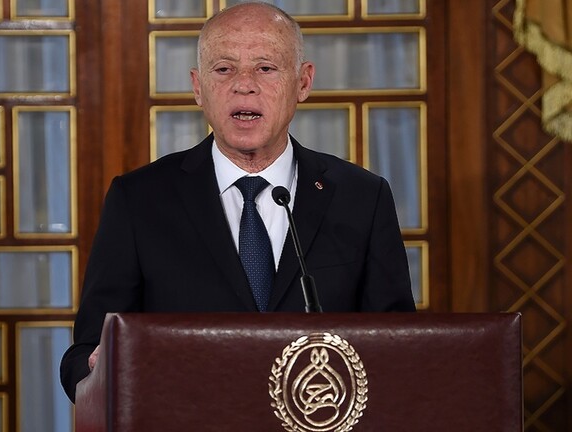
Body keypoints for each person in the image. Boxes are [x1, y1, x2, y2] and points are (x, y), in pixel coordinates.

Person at [60, 1, 416, 402]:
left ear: (303, 82)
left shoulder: (362, 197)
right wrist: (98, 369)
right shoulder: (138, 199)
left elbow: (399, 350)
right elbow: (83, 355)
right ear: (198, 87)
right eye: (224, 69)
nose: (244, 84)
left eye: (265, 68)